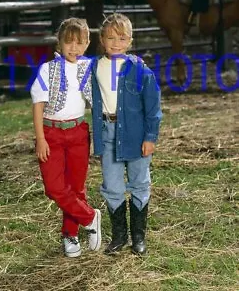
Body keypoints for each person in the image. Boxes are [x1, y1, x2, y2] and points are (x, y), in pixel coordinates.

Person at [91, 13, 162, 255]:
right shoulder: (92, 67)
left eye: (122, 38)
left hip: (136, 133)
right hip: (107, 132)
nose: (116, 43)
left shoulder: (140, 69)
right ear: (101, 39)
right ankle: (119, 237)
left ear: (130, 41)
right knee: (112, 185)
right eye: (110, 37)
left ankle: (138, 237)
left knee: (139, 183)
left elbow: (153, 108)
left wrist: (150, 138)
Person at [30, 17, 101, 258]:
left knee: (76, 186)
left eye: (79, 42)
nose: (74, 47)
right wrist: (40, 138)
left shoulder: (90, 68)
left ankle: (70, 235)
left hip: (79, 132)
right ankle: (90, 217)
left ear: (87, 43)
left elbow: (103, 98)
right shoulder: (48, 69)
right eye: (68, 42)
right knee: (54, 187)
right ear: (59, 43)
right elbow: (38, 105)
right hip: (51, 133)